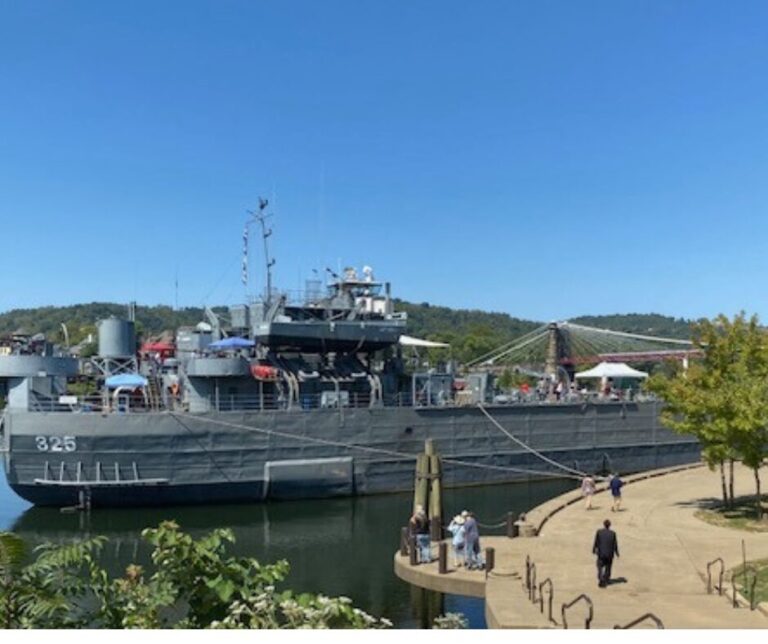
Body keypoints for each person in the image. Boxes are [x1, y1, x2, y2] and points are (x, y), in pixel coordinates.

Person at [593, 519, 619, 587]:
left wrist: (594, 549)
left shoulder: (599, 532)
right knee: (608, 567)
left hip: (601, 553)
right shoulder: (613, 533)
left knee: (599, 566)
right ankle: (606, 579)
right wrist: (617, 552)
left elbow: (596, 542)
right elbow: (615, 544)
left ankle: (601, 577)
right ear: (609, 525)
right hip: (609, 554)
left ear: (604, 525)